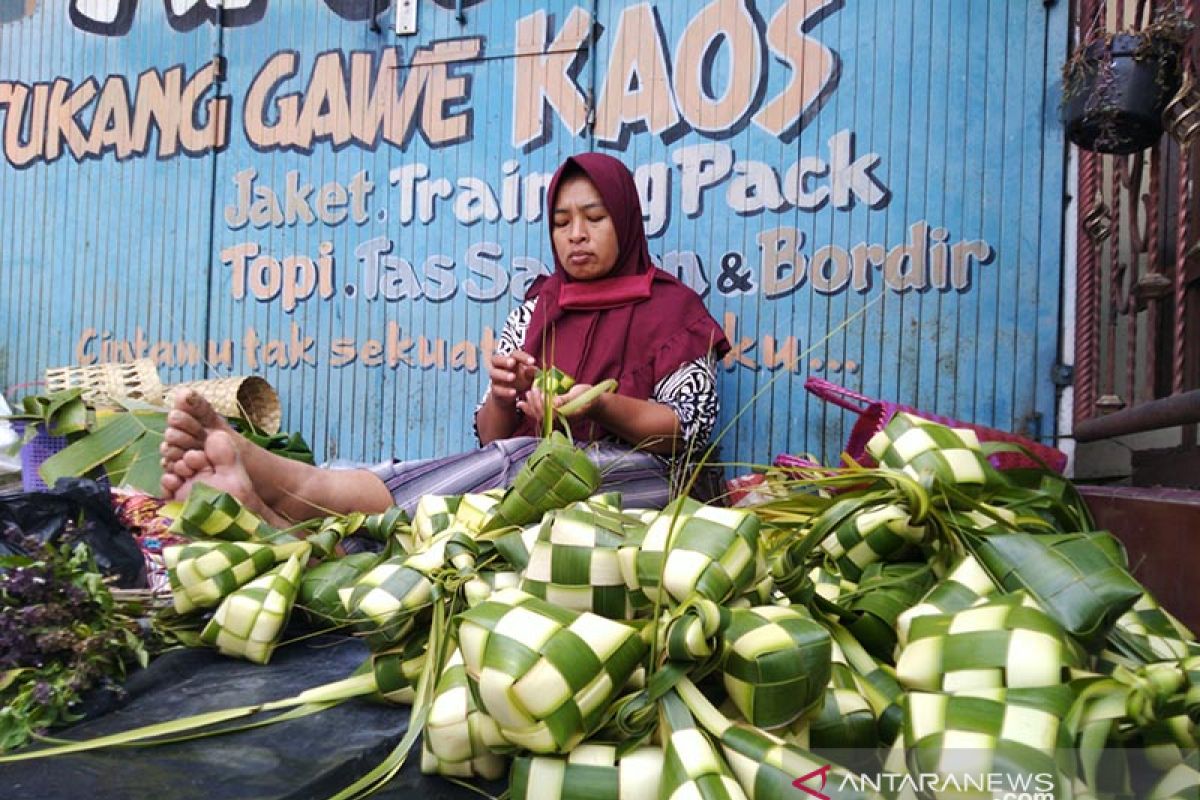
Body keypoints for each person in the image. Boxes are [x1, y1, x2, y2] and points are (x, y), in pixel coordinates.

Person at [159, 153, 731, 525]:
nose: (575, 235)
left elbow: (689, 430)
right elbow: (488, 436)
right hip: (531, 480)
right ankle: (284, 517)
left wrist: (594, 401)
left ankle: (304, 491)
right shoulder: (539, 307)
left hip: (645, 490)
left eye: (594, 217)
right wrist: (506, 395)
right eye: (561, 222)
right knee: (508, 466)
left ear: (625, 220)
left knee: (533, 461)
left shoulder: (673, 308)